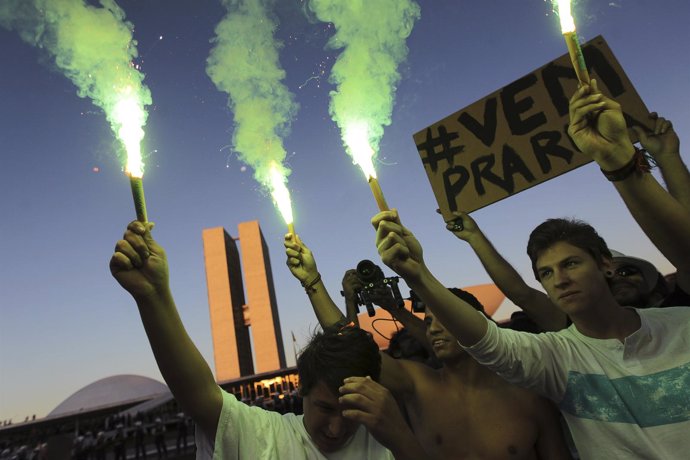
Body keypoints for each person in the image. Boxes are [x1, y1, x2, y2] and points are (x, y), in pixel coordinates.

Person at [371, 80, 690, 458]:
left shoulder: (681, 324)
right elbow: (491, 331)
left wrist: (635, 163)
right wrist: (419, 275)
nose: (560, 280)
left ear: (605, 264)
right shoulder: (556, 359)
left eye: (571, 263)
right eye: (547, 273)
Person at [110, 221, 425, 459]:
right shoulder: (263, 439)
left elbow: (357, 348)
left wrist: (401, 437)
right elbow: (197, 395)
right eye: (325, 408)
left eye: (350, 411)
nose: (336, 428)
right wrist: (154, 297)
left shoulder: (386, 436)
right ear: (302, 389)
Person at [285, 235, 573, 459]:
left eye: (444, 319)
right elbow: (350, 346)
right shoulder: (419, 385)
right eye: (429, 321)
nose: (433, 327)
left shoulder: (530, 397)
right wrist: (313, 282)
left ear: (476, 322)